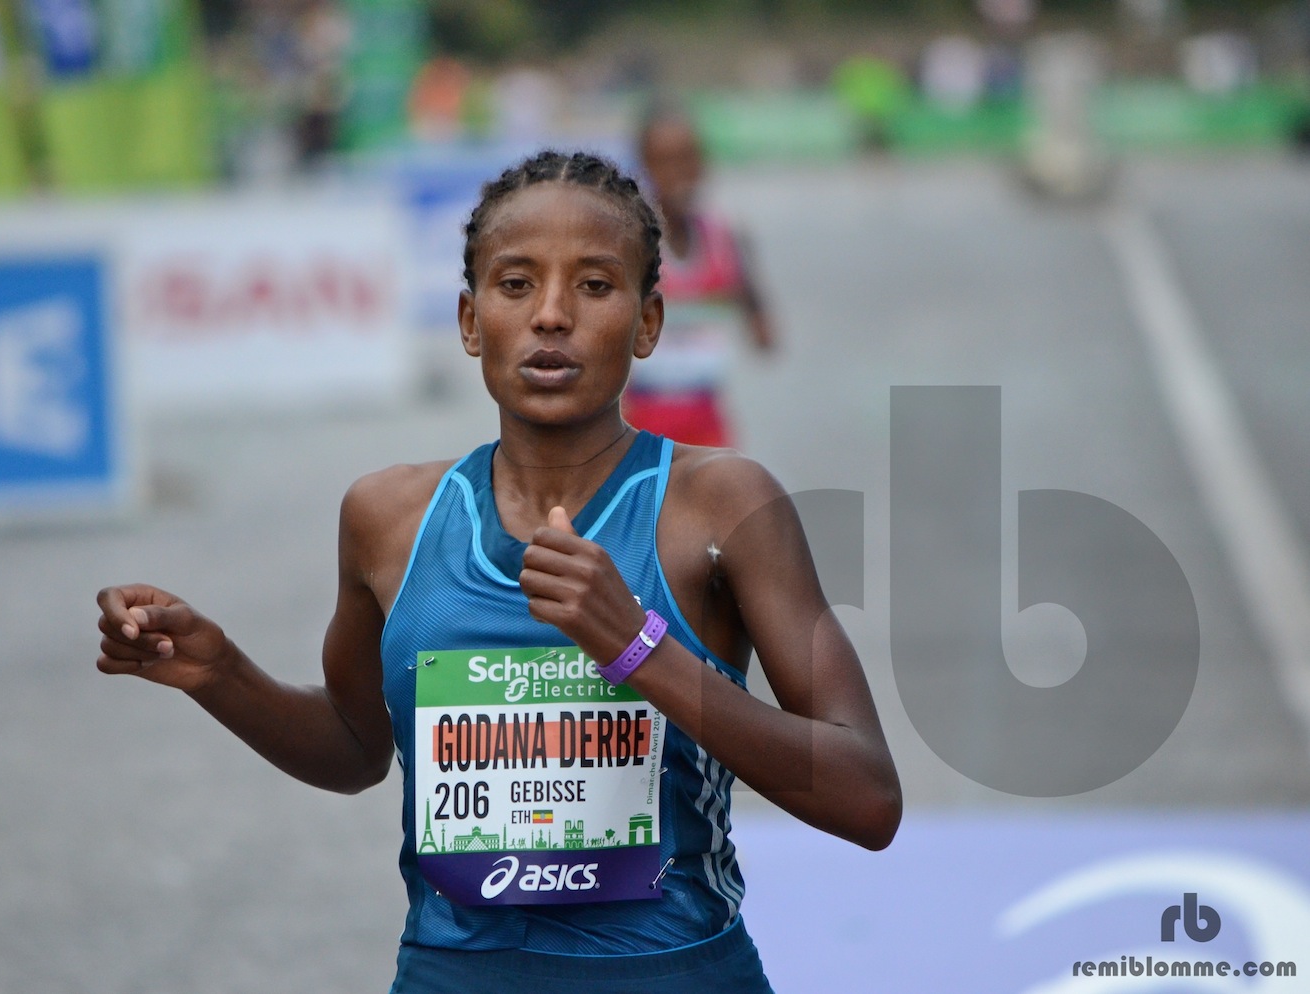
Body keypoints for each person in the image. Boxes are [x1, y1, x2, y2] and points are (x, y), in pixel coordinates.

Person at [95, 150, 900, 993]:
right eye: (516, 284)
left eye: (595, 285)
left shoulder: (722, 507)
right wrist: (221, 673)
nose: (551, 315)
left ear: (648, 322)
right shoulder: (388, 518)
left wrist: (636, 648)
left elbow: (867, 797)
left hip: (673, 974)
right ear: (470, 320)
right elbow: (357, 748)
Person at [625, 109, 775, 448]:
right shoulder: (630, 245)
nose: (679, 174)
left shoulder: (726, 239)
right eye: (665, 162)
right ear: (643, 166)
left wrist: (746, 291)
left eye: (688, 159)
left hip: (708, 426)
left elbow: (765, 340)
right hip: (638, 427)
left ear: (704, 163)